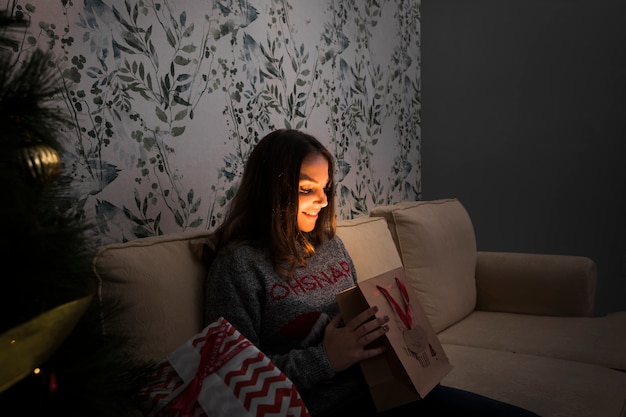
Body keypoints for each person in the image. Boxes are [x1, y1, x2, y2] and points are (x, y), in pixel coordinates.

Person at [205, 129, 539, 417]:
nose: (322, 200)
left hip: (383, 393)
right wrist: (325, 358)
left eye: (326, 187)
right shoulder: (238, 266)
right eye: (307, 189)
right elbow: (233, 381)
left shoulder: (329, 245)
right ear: (270, 192)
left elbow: (354, 318)